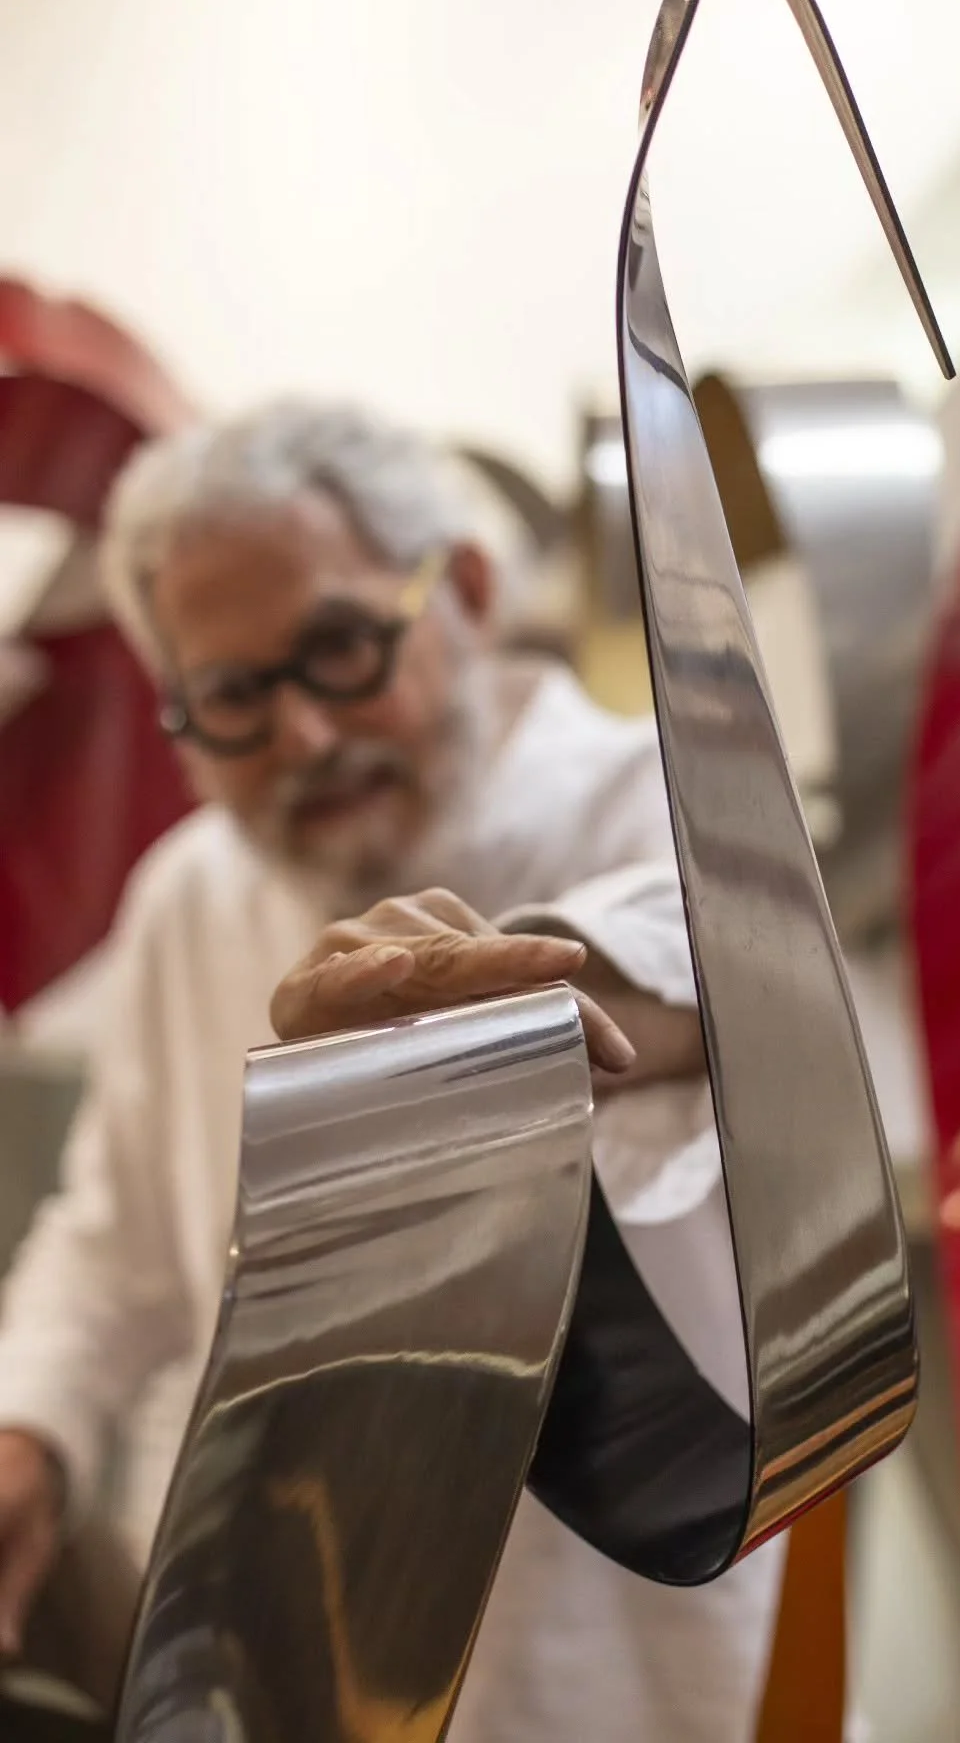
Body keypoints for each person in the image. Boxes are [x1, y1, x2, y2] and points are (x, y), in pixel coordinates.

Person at [0, 400, 785, 1741]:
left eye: (342, 652)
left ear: (466, 592)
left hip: (600, 1658)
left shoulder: (655, 796)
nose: (303, 737)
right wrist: (32, 1434)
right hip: (271, 1640)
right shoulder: (189, 894)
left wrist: (520, 998)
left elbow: (694, 978)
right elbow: (117, 1238)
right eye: (236, 698)